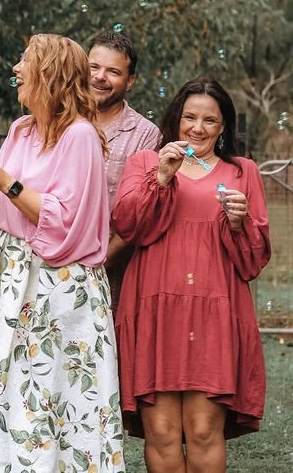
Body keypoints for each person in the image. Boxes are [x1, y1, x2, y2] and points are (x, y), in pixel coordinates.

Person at [0, 34, 125, 472]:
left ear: (48, 73)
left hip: (59, 285)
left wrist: (6, 180)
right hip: (9, 275)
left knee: (53, 393)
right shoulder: (22, 130)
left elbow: (64, 221)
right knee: (6, 388)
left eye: (24, 62)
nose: (16, 70)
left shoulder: (81, 135)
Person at [112, 78, 269, 472]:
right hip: (155, 308)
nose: (197, 128)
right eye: (190, 117)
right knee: (161, 432)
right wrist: (162, 178)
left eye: (210, 121)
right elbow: (128, 224)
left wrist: (239, 222)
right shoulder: (147, 163)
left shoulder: (242, 171)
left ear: (223, 127)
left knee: (202, 430)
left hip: (215, 309)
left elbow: (256, 256)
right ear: (176, 119)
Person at [88, 29, 161, 310]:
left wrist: (100, 262)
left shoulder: (145, 135)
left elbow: (142, 215)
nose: (99, 77)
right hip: (52, 267)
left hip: (111, 273)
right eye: (93, 67)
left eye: (112, 72)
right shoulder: (60, 121)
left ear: (130, 81)